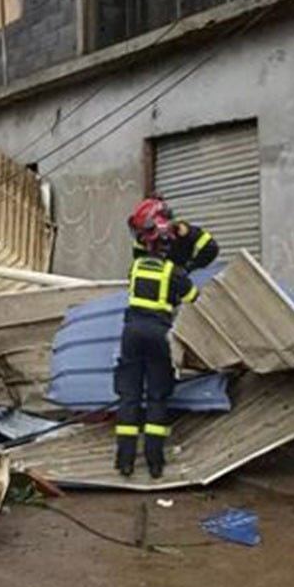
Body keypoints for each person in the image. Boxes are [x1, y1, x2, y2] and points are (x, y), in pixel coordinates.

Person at [114, 210, 199, 480]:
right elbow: (194, 297)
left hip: (131, 332)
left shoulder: (135, 268)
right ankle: (154, 463)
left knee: (129, 396)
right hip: (158, 334)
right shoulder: (171, 271)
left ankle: (125, 462)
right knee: (157, 396)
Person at [130, 196, 219, 273]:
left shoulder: (183, 233)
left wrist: (188, 268)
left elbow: (211, 248)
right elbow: (139, 262)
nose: (143, 237)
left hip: (182, 284)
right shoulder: (142, 240)